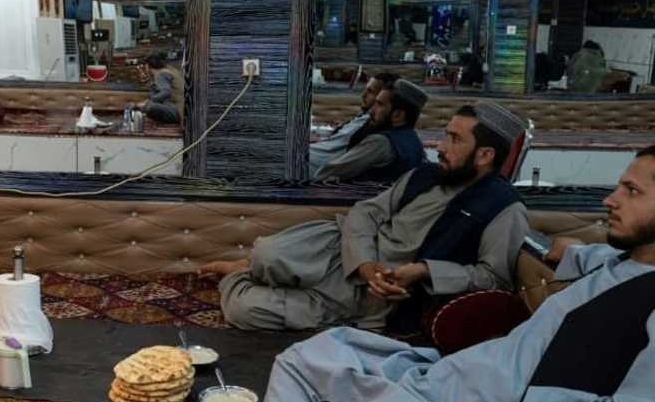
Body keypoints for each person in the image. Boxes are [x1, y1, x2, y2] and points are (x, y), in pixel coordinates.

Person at [193, 147, 655, 402]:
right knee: (308, 354)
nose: (610, 199)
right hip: (447, 378)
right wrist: (573, 250)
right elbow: (584, 263)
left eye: (631, 191)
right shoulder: (624, 259)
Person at [206, 102, 528, 332]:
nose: (441, 147)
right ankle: (255, 268)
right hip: (342, 250)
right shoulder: (426, 175)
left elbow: (494, 278)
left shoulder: (503, 207)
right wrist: (363, 262)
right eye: (446, 135)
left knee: (242, 310)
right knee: (267, 253)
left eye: (455, 139)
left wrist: (425, 271)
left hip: (373, 294)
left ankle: (240, 276)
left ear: (485, 155)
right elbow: (367, 211)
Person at [313, 78, 427, 183]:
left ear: (398, 115)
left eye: (380, 105)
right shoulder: (415, 142)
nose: (371, 111)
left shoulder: (381, 142)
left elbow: (325, 173)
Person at [308, 72, 397, 176]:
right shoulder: (363, 118)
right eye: (365, 90)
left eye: (370, 92)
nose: (363, 95)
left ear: (383, 96)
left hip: (313, 166)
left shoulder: (374, 126)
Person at [137, 52, 184, 125]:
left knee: (150, 107)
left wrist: (148, 102)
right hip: (181, 108)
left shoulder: (160, 74)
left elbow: (167, 92)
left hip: (178, 110)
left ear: (147, 66)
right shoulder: (170, 70)